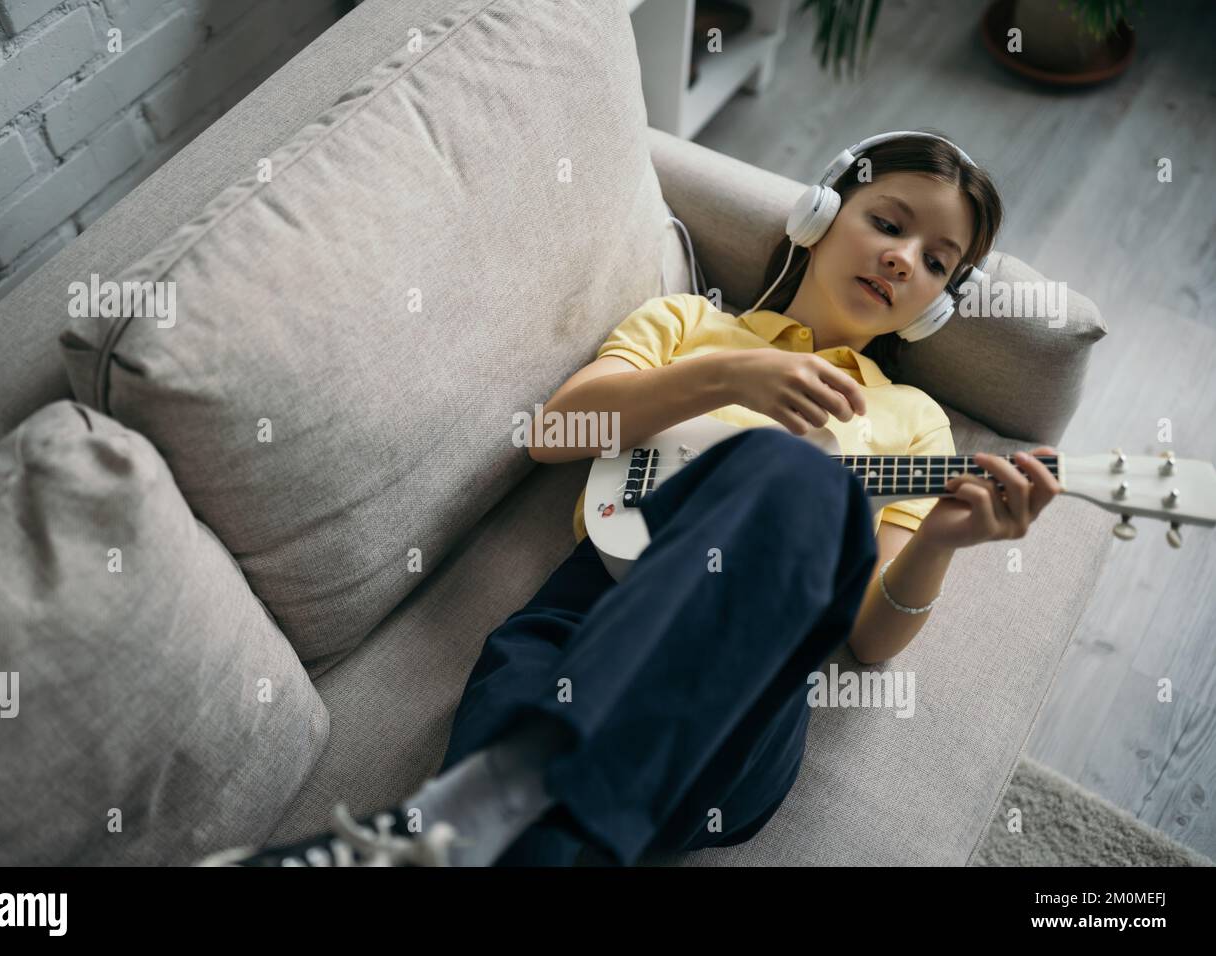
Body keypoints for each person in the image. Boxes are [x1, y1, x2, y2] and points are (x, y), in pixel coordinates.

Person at [198, 130, 1063, 868]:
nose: (903, 259)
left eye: (937, 263)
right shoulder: (686, 324)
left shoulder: (914, 422)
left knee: (798, 477)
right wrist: (729, 373)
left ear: (935, 308)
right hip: (578, 627)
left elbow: (870, 643)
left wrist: (942, 541)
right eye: (888, 223)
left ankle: (485, 809)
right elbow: (556, 435)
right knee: (518, 828)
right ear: (818, 213)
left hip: (748, 692)